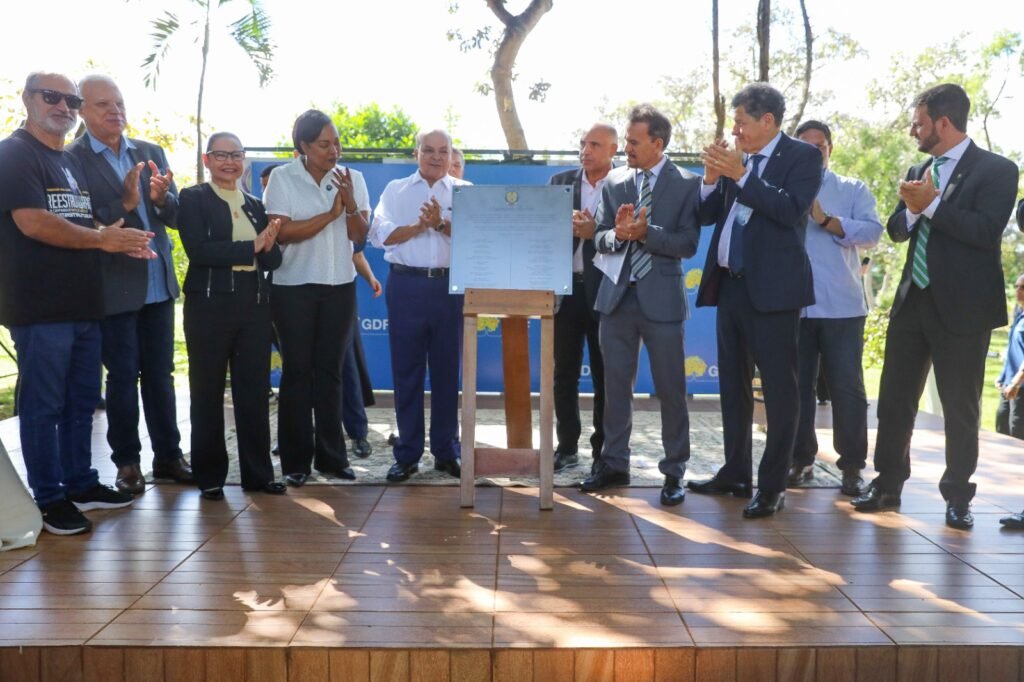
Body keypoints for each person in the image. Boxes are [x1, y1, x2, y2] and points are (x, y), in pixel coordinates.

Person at [852, 84, 1019, 530]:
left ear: (943, 123)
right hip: (912, 302)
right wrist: (912, 211)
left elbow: (985, 232)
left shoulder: (998, 170)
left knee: (960, 408)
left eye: (918, 124)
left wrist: (931, 206)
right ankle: (887, 484)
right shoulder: (919, 169)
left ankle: (958, 496)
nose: (912, 131)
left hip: (963, 309)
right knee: (894, 401)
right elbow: (896, 230)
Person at [0, 72, 155, 534]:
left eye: (70, 100)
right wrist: (103, 240)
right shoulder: (14, 154)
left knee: (81, 402)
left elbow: (85, 225)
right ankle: (49, 499)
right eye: (52, 97)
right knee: (44, 405)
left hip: (86, 304)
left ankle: (81, 483)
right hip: (41, 306)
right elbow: (33, 222)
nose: (63, 107)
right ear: (27, 99)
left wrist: (121, 220)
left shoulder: (67, 160)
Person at [688, 83, 822, 519]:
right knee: (733, 386)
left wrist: (742, 175)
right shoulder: (737, 160)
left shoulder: (803, 157)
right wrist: (712, 179)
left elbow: (789, 210)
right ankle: (735, 472)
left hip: (775, 292)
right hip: (731, 286)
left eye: (741, 122)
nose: (735, 131)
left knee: (780, 392)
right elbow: (707, 215)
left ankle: (772, 486)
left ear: (767, 121)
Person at [67, 74, 192, 495]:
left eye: (118, 103)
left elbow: (175, 216)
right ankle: (127, 463)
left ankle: (169, 457)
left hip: (158, 285)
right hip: (113, 285)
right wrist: (124, 203)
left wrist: (161, 199)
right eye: (103, 104)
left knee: (161, 375)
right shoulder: (72, 159)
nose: (115, 111)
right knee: (122, 377)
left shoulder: (150, 151)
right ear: (82, 110)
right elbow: (79, 221)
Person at [580, 105, 701, 507]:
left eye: (633, 141)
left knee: (671, 390)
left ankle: (674, 472)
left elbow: (688, 244)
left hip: (662, 303)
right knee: (614, 389)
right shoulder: (615, 181)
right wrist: (617, 234)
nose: (626, 148)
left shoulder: (687, 184)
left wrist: (648, 234)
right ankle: (614, 464)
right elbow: (598, 237)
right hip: (616, 300)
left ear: (657, 143)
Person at [263, 110, 370, 487]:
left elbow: (359, 235)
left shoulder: (353, 178)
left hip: (339, 287)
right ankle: (295, 461)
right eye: (324, 144)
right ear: (304, 146)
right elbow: (282, 233)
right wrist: (329, 214)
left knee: (330, 372)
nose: (333, 151)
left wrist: (349, 204)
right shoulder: (282, 178)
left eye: (337, 143)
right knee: (297, 372)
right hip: (292, 288)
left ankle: (332, 458)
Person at [177, 132, 286, 500]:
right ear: (207, 160)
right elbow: (199, 251)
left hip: (253, 304)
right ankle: (210, 476)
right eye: (221, 155)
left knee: (253, 392)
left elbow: (271, 260)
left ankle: (258, 475)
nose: (229, 162)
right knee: (207, 391)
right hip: (209, 305)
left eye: (236, 155)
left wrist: (269, 243)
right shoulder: (193, 198)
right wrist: (252, 245)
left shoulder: (255, 204)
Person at [787, 119, 883, 497]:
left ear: (830, 149)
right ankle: (800, 460)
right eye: (805, 146)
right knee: (796, 388)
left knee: (847, 389)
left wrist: (827, 220)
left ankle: (852, 466)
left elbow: (873, 233)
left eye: (820, 146)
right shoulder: (782, 189)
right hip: (793, 306)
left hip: (841, 305)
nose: (814, 152)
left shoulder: (852, 188)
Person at [369, 129, 469, 482]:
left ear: (452, 155)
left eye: (443, 151)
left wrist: (440, 223)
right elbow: (379, 235)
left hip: (449, 287)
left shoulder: (465, 192)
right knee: (406, 371)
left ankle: (446, 451)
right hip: (406, 285)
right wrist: (418, 226)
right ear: (417, 153)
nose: (436, 157)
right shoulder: (395, 190)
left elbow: (477, 238)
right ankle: (408, 453)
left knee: (447, 372)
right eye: (429, 150)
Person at [547, 123, 616, 474]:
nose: (586, 150)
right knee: (564, 373)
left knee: (606, 375)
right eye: (583, 143)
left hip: (607, 290)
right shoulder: (560, 183)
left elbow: (628, 235)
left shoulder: (626, 184)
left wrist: (595, 232)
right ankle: (567, 447)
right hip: (566, 291)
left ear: (613, 150)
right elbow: (542, 230)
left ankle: (603, 450)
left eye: (595, 145)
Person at [343, 246, 380, 460]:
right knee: (300, 367)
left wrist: (370, 276)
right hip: (295, 288)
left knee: (347, 364)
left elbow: (356, 251)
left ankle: (358, 433)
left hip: (340, 289)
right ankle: (298, 433)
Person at [994, 274, 1024, 442]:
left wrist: (1016, 382)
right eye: (1017, 286)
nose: (1018, 290)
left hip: (1020, 385)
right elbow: (1014, 349)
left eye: (1023, 287)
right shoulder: (1018, 314)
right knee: (1001, 425)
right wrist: (1003, 376)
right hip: (1009, 383)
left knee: (1017, 431)